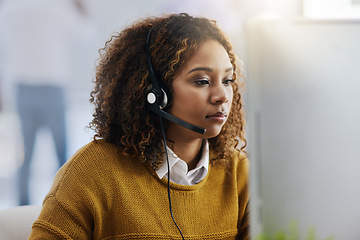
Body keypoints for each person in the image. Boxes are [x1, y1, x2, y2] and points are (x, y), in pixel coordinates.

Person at [29, 13, 249, 239]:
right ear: (155, 94)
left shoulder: (239, 173)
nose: (222, 96)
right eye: (202, 81)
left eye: (227, 81)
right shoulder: (90, 174)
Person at [0, 0, 94, 205]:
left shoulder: (12, 8)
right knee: (61, 155)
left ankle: (21, 208)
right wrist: (80, 7)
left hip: (22, 86)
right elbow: (87, 34)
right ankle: (63, 205)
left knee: (25, 155)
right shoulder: (60, 8)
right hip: (52, 86)